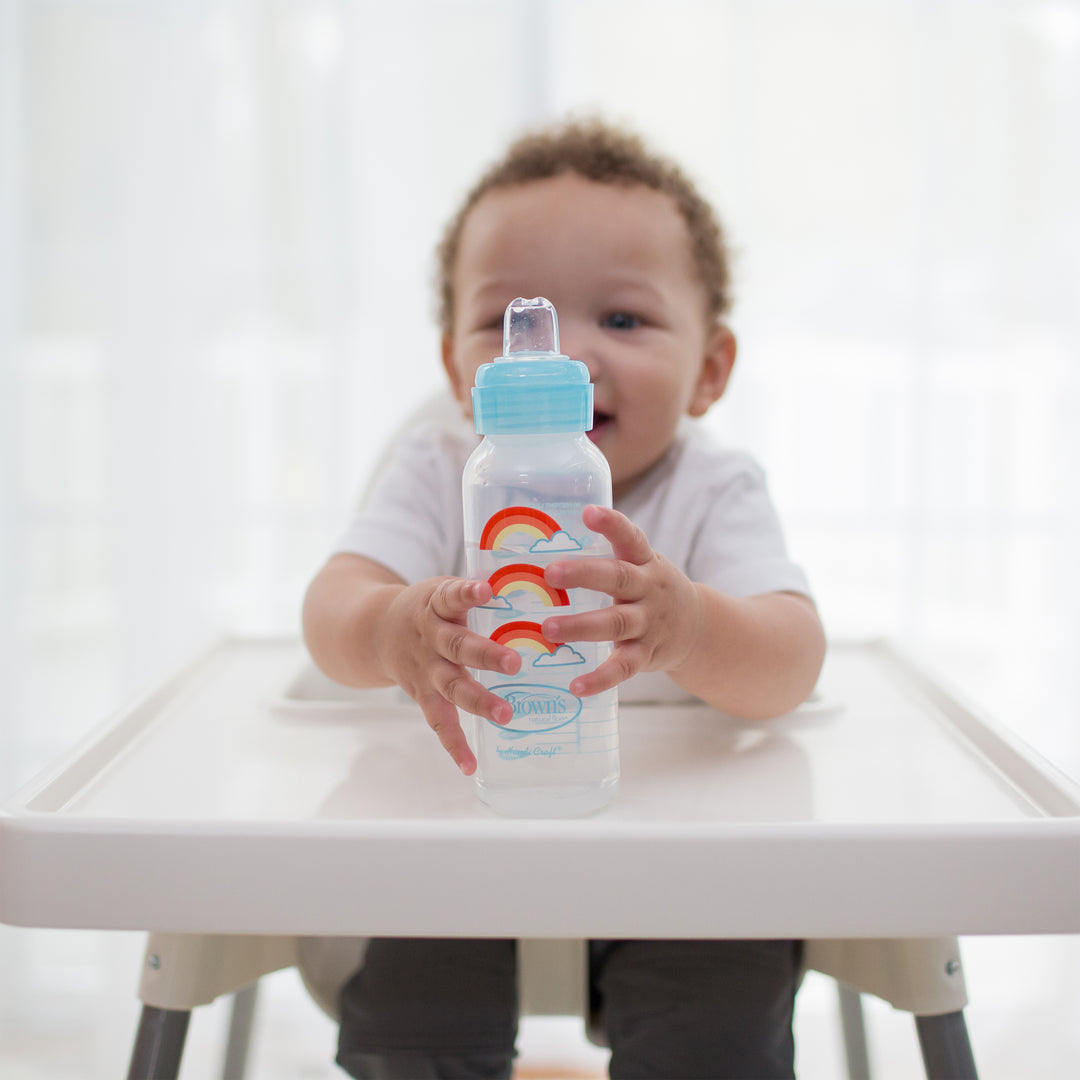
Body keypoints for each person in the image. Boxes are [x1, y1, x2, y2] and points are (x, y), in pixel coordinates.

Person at [302, 120, 827, 1080]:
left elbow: (792, 660)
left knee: (722, 999)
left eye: (622, 320)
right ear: (459, 369)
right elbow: (331, 612)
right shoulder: (442, 468)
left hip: (683, 846)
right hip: (470, 811)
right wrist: (389, 626)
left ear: (711, 368)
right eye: (512, 325)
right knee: (415, 995)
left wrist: (696, 626)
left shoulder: (716, 492)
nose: (571, 357)